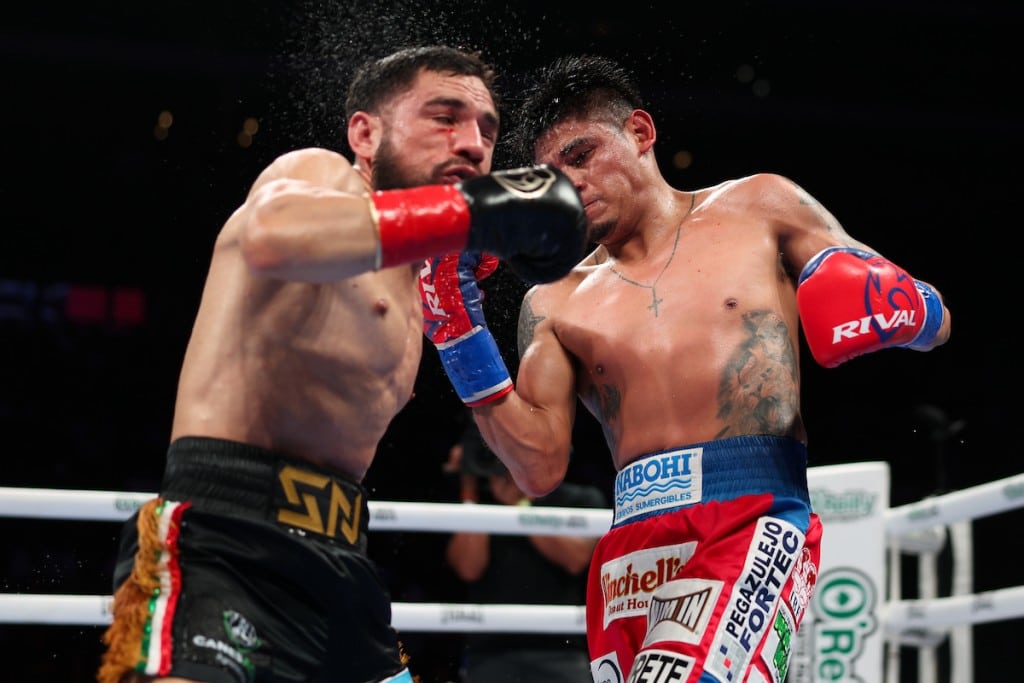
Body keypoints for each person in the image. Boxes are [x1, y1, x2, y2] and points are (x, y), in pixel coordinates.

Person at [419, 55, 951, 683]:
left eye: (583, 155)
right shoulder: (553, 300)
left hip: (752, 514)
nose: (572, 186)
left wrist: (903, 308)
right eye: (555, 177)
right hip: (629, 550)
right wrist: (459, 336)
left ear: (640, 132)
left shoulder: (759, 206)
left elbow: (935, 319)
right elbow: (537, 468)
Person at [96, 45, 586, 683]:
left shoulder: (420, 280)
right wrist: (467, 214)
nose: (473, 144)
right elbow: (272, 235)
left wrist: (460, 322)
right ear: (365, 134)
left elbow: (538, 470)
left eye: (487, 132)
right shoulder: (320, 177)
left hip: (342, 562)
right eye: (445, 117)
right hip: (229, 539)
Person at [444, 414, 605, 683]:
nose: (506, 464)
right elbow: (468, 568)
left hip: (561, 648)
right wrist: (469, 489)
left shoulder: (579, 498)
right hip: (491, 652)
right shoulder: (478, 506)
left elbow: (576, 560)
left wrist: (521, 505)